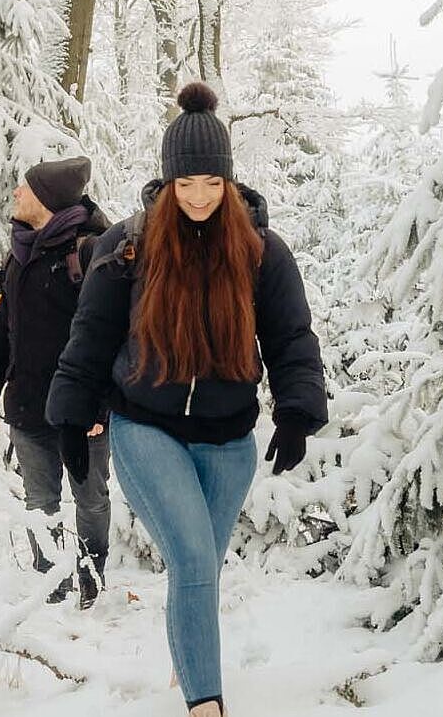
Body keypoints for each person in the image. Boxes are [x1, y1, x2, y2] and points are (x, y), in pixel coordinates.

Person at [45, 83, 328, 716]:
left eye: (211, 184)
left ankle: (186, 659)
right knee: (197, 560)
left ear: (229, 182)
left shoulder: (261, 250)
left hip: (230, 438)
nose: (198, 197)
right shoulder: (129, 245)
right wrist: (72, 412)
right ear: (167, 181)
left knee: (199, 569)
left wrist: (298, 409)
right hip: (147, 425)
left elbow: (289, 335)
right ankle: (207, 704)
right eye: (185, 184)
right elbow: (89, 335)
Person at [0, 155, 112, 609]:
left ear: (46, 199)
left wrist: (98, 407)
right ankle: (51, 584)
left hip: (81, 412)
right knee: (40, 502)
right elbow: (2, 328)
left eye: (24, 188)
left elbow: (111, 335)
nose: (15, 193)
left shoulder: (90, 252)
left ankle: (92, 576)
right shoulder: (19, 255)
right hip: (29, 406)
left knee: (90, 498)